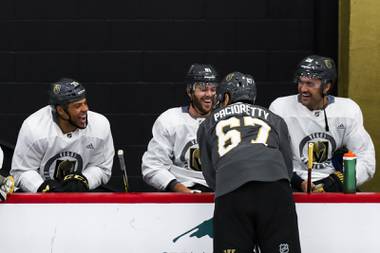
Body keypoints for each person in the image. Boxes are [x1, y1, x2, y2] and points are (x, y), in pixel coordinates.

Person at [197, 72, 301, 252]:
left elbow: (210, 174)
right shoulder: (274, 119)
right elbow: (286, 166)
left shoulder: (207, 124)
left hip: (231, 190)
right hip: (275, 189)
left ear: (226, 97)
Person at [269, 55, 376, 192]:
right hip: (293, 185)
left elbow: (366, 159)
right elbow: (270, 154)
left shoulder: (348, 110)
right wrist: (296, 181)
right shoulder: (280, 108)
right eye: (301, 82)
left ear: (327, 86)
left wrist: (337, 181)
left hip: (335, 185)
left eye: (310, 84)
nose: (303, 89)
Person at [10, 78, 114, 193]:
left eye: (85, 103)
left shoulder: (100, 125)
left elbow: (102, 167)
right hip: (41, 202)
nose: (85, 109)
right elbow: (21, 171)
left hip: (81, 199)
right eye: (77, 106)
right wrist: (41, 187)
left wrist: (84, 180)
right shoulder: (33, 128)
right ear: (60, 110)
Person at [141, 63, 218, 193]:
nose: (209, 94)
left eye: (213, 89)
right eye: (203, 89)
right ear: (189, 91)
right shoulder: (170, 120)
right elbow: (152, 166)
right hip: (182, 192)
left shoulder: (226, 120)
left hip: (220, 193)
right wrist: (183, 191)